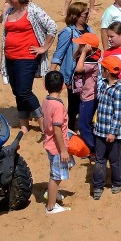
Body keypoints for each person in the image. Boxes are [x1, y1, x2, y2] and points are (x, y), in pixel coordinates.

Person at [0, 0, 59, 133]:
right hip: (10, 57)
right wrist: (1, 61)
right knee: (16, 91)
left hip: (27, 57)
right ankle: (24, 124)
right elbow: (4, 37)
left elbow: (52, 27)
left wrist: (44, 47)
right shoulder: (9, 11)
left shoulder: (33, 9)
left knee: (24, 91)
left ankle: (42, 119)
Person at [89, 56, 121, 198]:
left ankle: (117, 182)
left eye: (103, 69)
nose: (101, 72)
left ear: (107, 71)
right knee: (100, 159)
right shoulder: (103, 84)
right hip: (100, 131)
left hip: (113, 134)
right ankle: (98, 185)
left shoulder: (119, 89)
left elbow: (119, 114)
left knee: (115, 159)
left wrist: (112, 132)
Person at [51, 1, 89, 131]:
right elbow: (59, 54)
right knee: (73, 106)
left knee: (85, 103)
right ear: (76, 16)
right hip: (74, 75)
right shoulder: (68, 32)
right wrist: (52, 74)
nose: (88, 16)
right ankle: (70, 132)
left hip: (88, 73)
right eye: (85, 14)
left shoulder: (89, 29)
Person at [40, 70, 72, 214]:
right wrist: (63, 150)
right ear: (63, 86)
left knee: (59, 170)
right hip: (57, 147)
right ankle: (51, 206)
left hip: (50, 143)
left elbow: (46, 123)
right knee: (56, 177)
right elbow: (58, 129)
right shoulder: (58, 106)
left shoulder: (46, 101)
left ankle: (52, 193)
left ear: (45, 86)